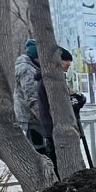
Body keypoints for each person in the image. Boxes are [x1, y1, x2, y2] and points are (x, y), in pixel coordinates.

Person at [34, 47, 85, 176]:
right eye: (65, 62)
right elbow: (59, 104)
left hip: (55, 127)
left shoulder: (55, 79)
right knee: (58, 166)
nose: (68, 66)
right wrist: (75, 102)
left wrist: (76, 99)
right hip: (54, 129)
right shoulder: (49, 81)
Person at [13, 39, 46, 154]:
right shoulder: (27, 70)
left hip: (30, 118)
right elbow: (32, 98)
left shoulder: (32, 67)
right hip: (31, 119)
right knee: (38, 152)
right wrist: (43, 119)